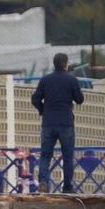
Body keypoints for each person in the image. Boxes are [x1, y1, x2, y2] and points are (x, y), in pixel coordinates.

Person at [31, 52, 84, 193]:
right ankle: (67, 187)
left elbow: (35, 99)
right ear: (66, 64)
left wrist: (43, 110)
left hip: (48, 123)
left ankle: (43, 182)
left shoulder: (45, 80)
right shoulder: (72, 80)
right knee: (67, 156)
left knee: (45, 155)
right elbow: (80, 100)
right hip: (66, 123)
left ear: (54, 64)